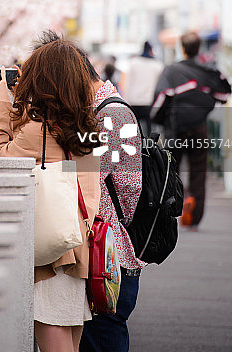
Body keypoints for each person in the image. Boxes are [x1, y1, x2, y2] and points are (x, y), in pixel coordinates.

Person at [0, 33, 101, 352]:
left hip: (51, 260)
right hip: (76, 249)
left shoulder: (41, 131)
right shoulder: (83, 129)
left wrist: (2, 104)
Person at [80, 73, 145, 352]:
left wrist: (54, 168)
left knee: (104, 334)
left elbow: (124, 185)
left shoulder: (112, 114)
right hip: (109, 244)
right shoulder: (102, 109)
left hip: (109, 249)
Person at [150, 30, 231, 228]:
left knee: (172, 172)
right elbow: (223, 95)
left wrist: (158, 119)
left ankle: (173, 211)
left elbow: (160, 100)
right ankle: (195, 217)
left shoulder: (171, 71)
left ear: (183, 49)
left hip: (176, 129)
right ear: (198, 48)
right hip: (199, 128)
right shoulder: (208, 71)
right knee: (199, 173)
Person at [118, 41, 163, 136]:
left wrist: (126, 101)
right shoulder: (157, 65)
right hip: (149, 102)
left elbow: (127, 83)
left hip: (134, 102)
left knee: (134, 131)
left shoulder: (133, 63)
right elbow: (160, 87)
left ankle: (135, 148)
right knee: (150, 131)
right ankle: (150, 149)